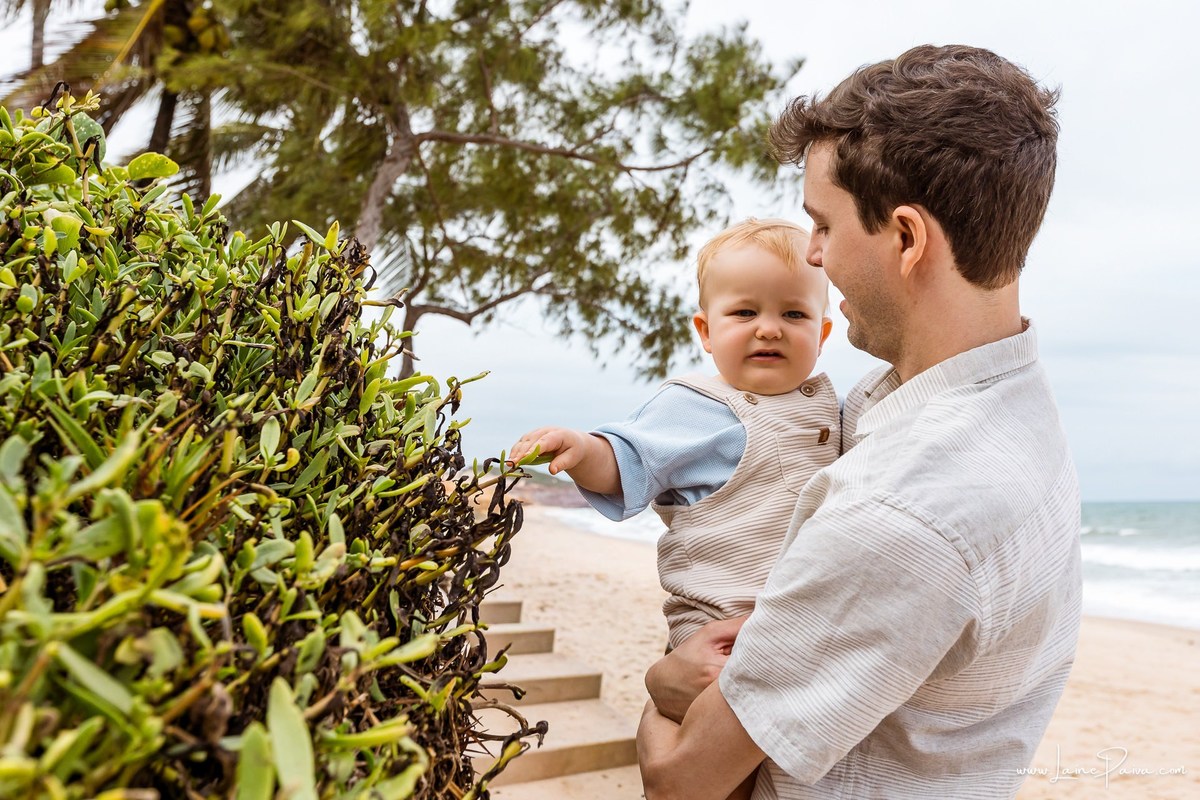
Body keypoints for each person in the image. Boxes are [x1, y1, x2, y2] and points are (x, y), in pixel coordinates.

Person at [636, 44, 1082, 800]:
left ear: (906, 238)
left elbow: (681, 779)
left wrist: (659, 681)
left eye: (823, 225)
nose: (812, 254)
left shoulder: (901, 507)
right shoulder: (1013, 401)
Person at [509, 218, 839, 653]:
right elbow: (629, 460)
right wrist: (585, 449)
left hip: (809, 627)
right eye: (745, 312)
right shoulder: (695, 406)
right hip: (716, 628)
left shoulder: (832, 411)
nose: (769, 328)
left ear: (822, 334)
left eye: (794, 313)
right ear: (705, 331)